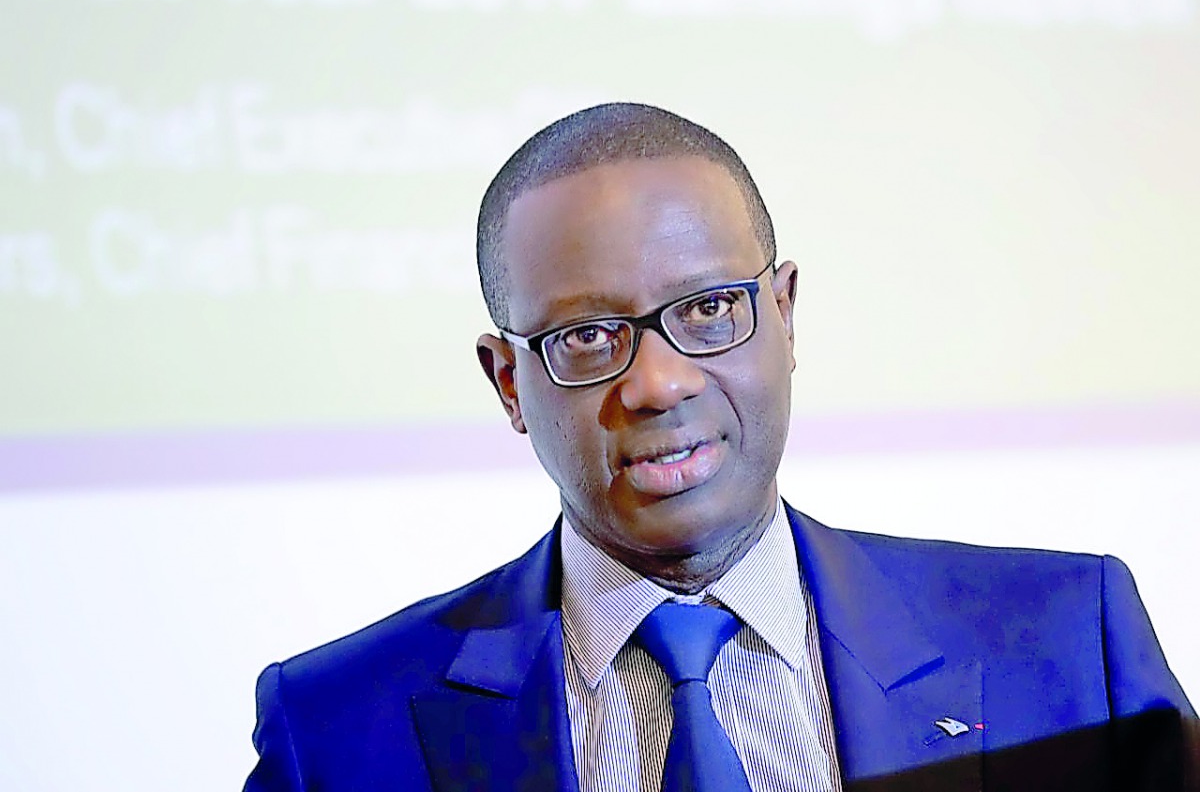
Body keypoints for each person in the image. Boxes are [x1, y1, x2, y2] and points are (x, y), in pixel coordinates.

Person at [242, 103, 1197, 791]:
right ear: (507, 383)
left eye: (707, 309)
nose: (659, 382)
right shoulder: (336, 731)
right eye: (588, 336)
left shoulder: (1070, 645)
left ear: (784, 313)